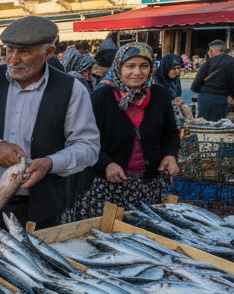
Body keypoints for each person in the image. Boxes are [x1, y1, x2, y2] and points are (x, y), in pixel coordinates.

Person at [0, 16, 100, 237]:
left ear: (49, 52)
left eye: (24, 52)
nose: (13, 59)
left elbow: (87, 147)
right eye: (10, 50)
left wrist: (50, 163)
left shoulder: (71, 90)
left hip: (39, 211)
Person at [76, 43, 180, 219]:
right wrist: (106, 163)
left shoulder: (159, 95)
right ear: (118, 67)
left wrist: (170, 155)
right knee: (106, 237)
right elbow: (83, 140)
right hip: (105, 185)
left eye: (144, 66)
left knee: (143, 237)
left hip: (147, 185)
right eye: (130, 66)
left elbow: (170, 133)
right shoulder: (101, 98)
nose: (137, 72)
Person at [191, 40, 234, 120]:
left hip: (204, 98)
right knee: (217, 127)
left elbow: (195, 86)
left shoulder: (208, 63)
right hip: (221, 99)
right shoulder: (231, 62)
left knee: (203, 126)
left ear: (211, 51)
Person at [155, 53, 189, 127]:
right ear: (166, 68)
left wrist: (178, 101)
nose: (177, 71)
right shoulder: (155, 81)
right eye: (174, 69)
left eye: (179, 68)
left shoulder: (175, 80)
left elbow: (176, 95)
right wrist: (169, 104)